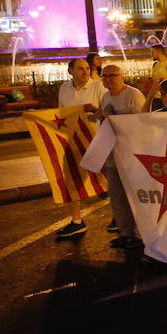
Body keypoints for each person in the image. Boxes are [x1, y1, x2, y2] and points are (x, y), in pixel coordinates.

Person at [96, 65, 147, 251]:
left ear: (122, 77)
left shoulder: (133, 96)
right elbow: (106, 121)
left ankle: (140, 234)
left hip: (131, 154)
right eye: (105, 76)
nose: (109, 79)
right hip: (112, 152)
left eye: (113, 76)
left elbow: (141, 123)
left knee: (134, 194)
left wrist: (112, 118)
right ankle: (125, 232)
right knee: (117, 195)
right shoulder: (105, 97)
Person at [55, 57, 107, 240]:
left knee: (112, 182)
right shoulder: (64, 89)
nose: (85, 72)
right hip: (73, 141)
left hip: (97, 141)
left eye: (87, 68)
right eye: (80, 69)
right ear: (70, 71)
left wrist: (92, 110)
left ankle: (123, 219)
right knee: (71, 180)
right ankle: (77, 221)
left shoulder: (98, 87)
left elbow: (107, 115)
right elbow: (61, 115)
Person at [145, 43, 167, 111]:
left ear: (159, 52)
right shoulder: (155, 65)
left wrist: (162, 79)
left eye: (153, 52)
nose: (151, 55)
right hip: (156, 98)